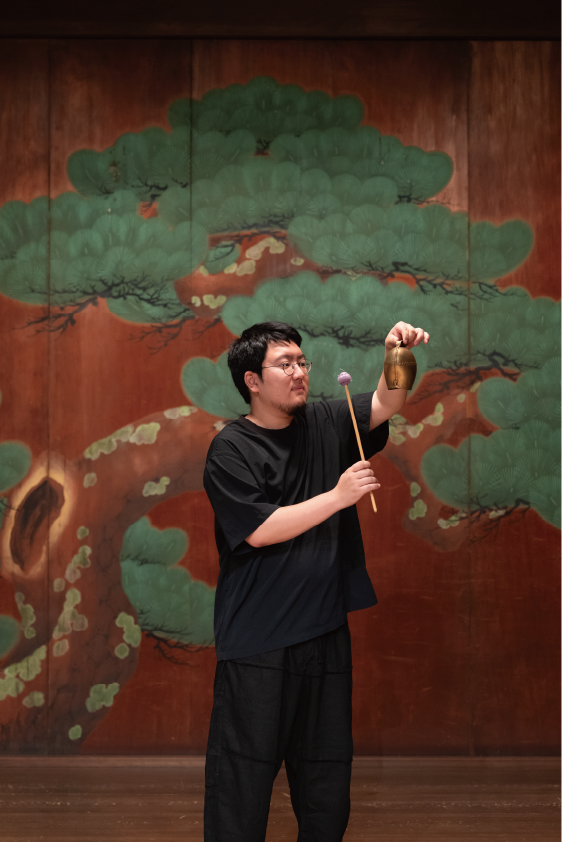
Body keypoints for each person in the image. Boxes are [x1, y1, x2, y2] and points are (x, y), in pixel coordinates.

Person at [203, 320, 429, 842]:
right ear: (252, 380)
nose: (299, 372)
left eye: (302, 362)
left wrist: (397, 354)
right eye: (285, 364)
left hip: (324, 632)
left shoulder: (328, 419)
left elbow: (388, 401)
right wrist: (337, 496)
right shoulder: (230, 448)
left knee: (326, 783)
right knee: (242, 781)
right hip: (258, 640)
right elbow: (258, 530)